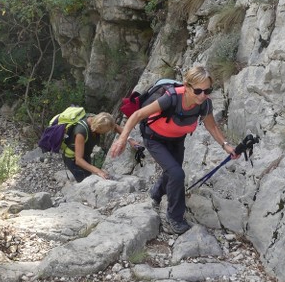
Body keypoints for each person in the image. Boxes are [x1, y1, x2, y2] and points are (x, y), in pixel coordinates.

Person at [109, 65, 236, 234]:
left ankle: (156, 192)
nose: (203, 95)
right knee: (177, 173)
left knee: (172, 171)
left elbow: (212, 127)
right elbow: (138, 115)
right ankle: (174, 218)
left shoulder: (204, 104)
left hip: (176, 140)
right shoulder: (171, 98)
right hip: (154, 139)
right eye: (198, 91)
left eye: (207, 91)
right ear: (187, 86)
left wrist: (225, 145)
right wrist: (123, 138)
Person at [63, 111, 137, 183]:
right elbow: (79, 160)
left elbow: (115, 127)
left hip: (85, 153)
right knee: (85, 181)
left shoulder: (99, 119)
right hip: (72, 158)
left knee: (90, 175)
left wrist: (130, 139)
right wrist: (99, 171)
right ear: (98, 128)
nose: (106, 132)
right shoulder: (81, 133)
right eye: (105, 131)